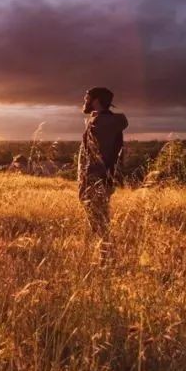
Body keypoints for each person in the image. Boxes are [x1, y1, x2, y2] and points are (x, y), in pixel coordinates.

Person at [77, 87, 128, 264]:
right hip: (99, 177)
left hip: (97, 178)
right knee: (99, 218)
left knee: (98, 219)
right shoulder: (102, 121)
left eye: (87, 97)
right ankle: (106, 256)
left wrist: (91, 179)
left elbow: (99, 155)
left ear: (96, 100)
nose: (85, 100)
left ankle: (107, 258)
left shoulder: (102, 124)